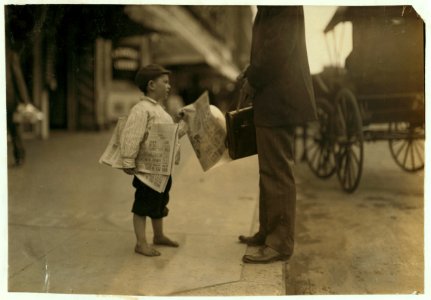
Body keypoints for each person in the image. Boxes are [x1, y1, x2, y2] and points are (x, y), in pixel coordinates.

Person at [237, 6, 317, 263]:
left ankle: (280, 242)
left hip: (279, 98)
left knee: (276, 170)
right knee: (269, 169)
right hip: (274, 97)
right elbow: (270, 47)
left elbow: (277, 48)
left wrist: (254, 79)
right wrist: (251, 72)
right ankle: (268, 231)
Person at [121, 64, 181, 257]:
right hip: (147, 170)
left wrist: (184, 123)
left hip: (162, 168)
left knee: (159, 202)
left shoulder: (160, 110)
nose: (169, 86)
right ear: (151, 85)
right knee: (143, 205)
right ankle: (141, 242)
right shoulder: (141, 109)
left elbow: (170, 136)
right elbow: (132, 135)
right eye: (165, 82)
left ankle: (159, 235)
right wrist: (128, 160)